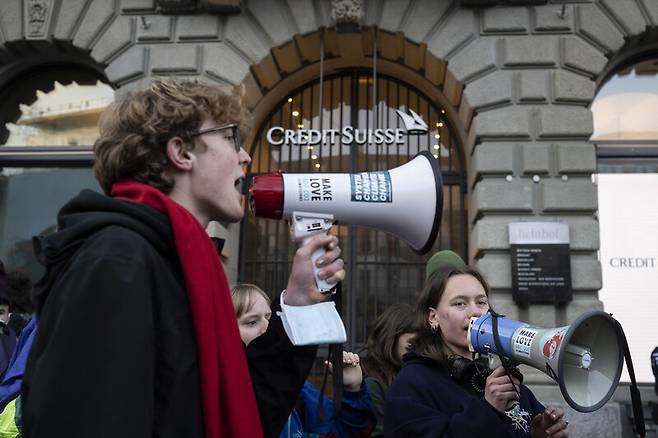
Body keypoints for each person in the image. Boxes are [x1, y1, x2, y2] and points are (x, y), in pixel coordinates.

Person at [21, 80, 346, 438]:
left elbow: (234, 411)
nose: (246, 156)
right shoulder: (116, 261)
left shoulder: (179, 263)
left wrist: (298, 303)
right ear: (182, 153)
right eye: (229, 138)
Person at [385, 266, 569, 438]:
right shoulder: (412, 384)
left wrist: (537, 434)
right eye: (460, 304)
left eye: (481, 302)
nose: (475, 312)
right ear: (433, 317)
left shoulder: (498, 380)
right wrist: (487, 410)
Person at [231, 283, 374, 438]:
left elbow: (343, 432)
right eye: (252, 322)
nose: (267, 327)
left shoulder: (298, 390)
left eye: (270, 317)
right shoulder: (223, 396)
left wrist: (352, 390)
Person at [360, 304, 415, 437]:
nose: (417, 338)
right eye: (411, 330)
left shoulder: (412, 375)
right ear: (390, 336)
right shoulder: (371, 384)